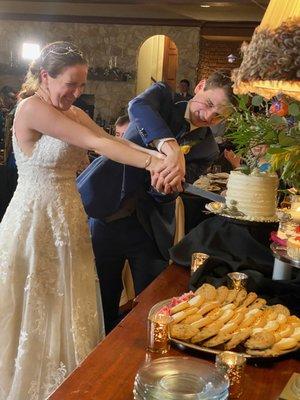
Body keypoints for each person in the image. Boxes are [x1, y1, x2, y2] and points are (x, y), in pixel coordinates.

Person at [0, 41, 172, 400]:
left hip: (68, 215)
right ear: (45, 77)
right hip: (34, 218)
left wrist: (162, 154)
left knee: (69, 296)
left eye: (82, 85)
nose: (77, 93)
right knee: (37, 298)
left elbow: (110, 139)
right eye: (71, 84)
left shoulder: (74, 112)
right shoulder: (31, 108)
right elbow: (94, 140)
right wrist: (154, 164)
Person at [78, 69, 234, 332]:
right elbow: (137, 106)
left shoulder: (208, 148)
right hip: (106, 211)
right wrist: (171, 148)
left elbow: (176, 190)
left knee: (151, 300)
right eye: (208, 104)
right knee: (100, 294)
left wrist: (163, 189)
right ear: (200, 86)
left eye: (218, 115)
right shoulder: (162, 97)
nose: (208, 116)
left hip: (150, 226)